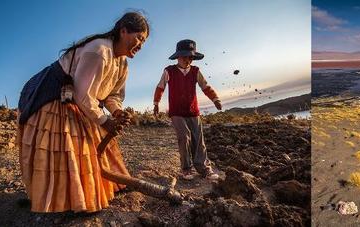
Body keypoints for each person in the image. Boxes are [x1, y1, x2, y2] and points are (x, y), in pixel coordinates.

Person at [16, 11, 149, 213]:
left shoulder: (122, 64)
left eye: (144, 41)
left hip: (83, 100)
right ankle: (64, 201)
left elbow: (112, 95)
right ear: (123, 31)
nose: (141, 45)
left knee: (89, 145)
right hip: (56, 95)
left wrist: (117, 112)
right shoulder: (98, 51)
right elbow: (83, 94)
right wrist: (104, 121)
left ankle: (89, 192)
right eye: (139, 37)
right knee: (68, 146)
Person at [153, 39, 222, 181]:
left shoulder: (196, 71)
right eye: (185, 56)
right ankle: (186, 169)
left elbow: (205, 87)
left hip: (193, 111)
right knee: (184, 137)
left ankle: (204, 169)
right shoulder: (169, 71)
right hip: (176, 112)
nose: (188, 60)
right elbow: (160, 87)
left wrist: (215, 99)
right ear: (178, 56)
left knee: (198, 140)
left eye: (190, 57)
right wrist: (156, 103)